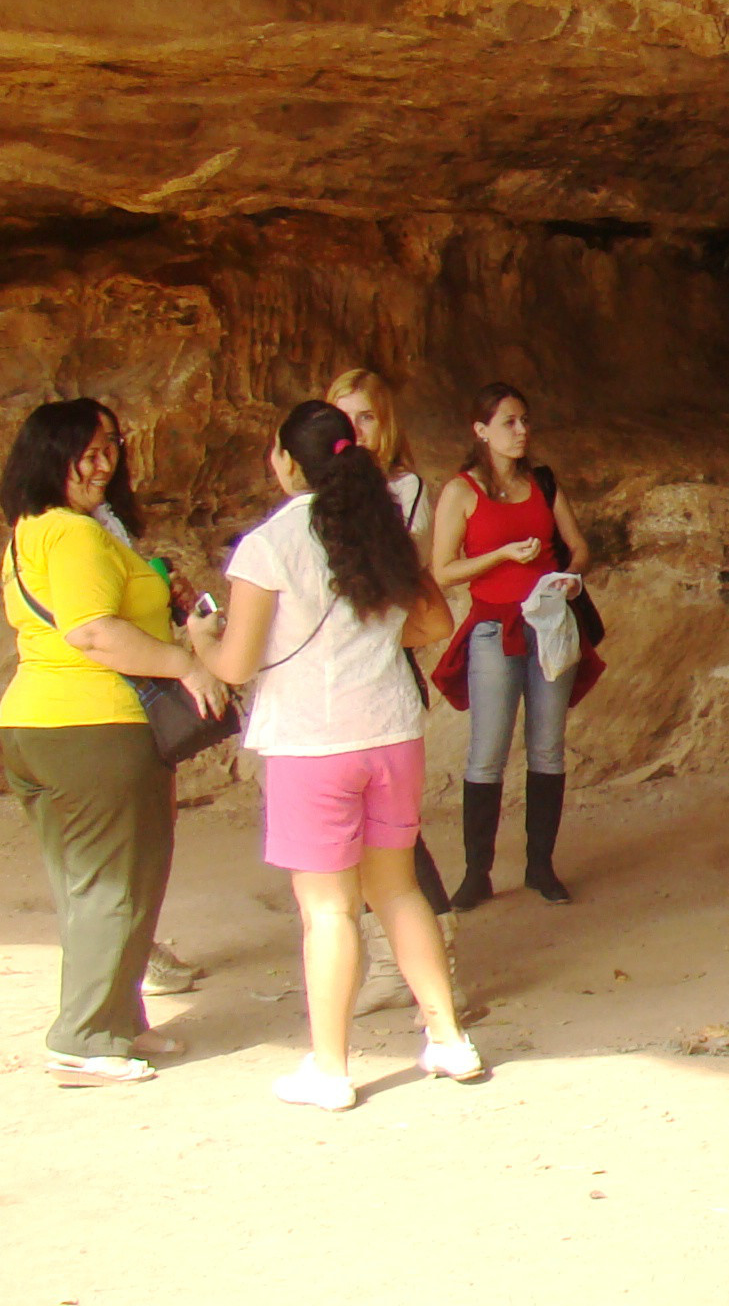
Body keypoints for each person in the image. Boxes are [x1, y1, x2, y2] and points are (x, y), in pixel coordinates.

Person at [201, 401, 483, 1110]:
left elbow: (236, 665)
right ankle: (449, 1040)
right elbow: (433, 621)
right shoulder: (383, 527)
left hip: (312, 742)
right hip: (391, 733)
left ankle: (330, 1070)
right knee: (397, 889)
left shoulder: (270, 544)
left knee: (328, 910)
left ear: (287, 461)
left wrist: (199, 641)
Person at [0, 398, 231, 1084]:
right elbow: (93, 631)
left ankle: (119, 1020)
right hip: (92, 727)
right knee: (117, 882)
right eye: (87, 452)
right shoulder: (71, 535)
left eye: (110, 449)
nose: (103, 465)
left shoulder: (32, 531)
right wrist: (186, 663)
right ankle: (84, 1035)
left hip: (41, 724)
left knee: (92, 884)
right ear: (50, 457)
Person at [429, 383, 591, 908]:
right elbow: (444, 570)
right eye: (509, 422)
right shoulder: (461, 491)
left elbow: (579, 546)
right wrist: (500, 555)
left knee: (547, 746)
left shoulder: (542, 482)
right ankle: (478, 872)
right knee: (487, 753)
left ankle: (540, 866)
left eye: (525, 421)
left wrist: (567, 577)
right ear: (481, 431)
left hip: (548, 623)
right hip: (494, 629)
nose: (522, 431)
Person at [324, 366, 454, 1013]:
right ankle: (395, 954)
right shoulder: (323, 496)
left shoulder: (402, 490)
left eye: (366, 418)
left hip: (377, 670)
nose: (353, 432)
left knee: (386, 826)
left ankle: (434, 947)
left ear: (387, 424)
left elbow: (375, 577)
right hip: (336, 672)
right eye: (341, 419)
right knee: (360, 827)